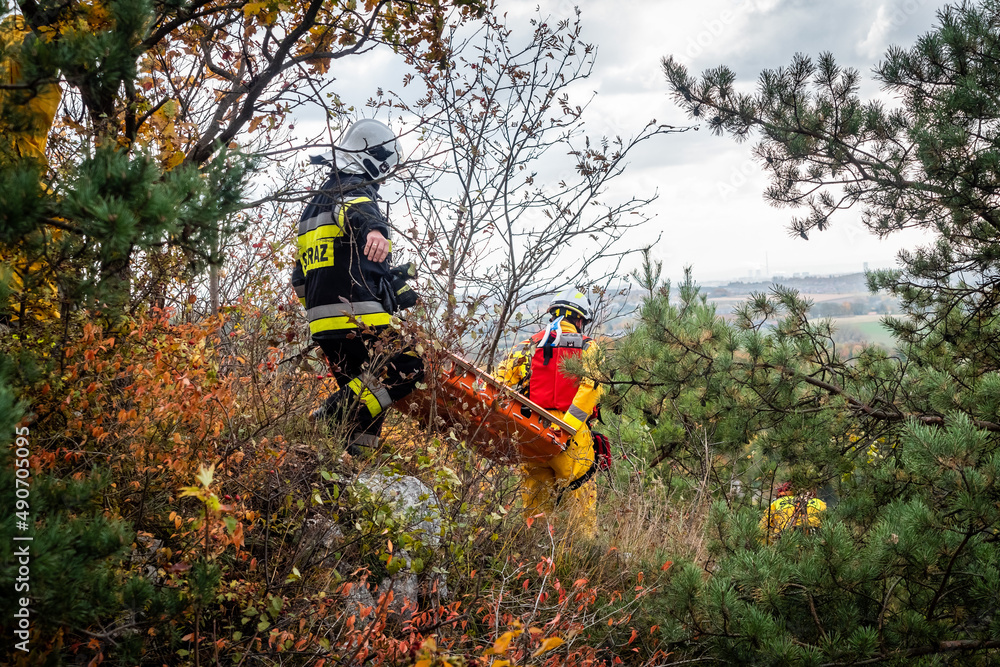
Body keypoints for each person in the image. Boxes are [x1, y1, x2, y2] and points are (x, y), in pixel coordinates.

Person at [292, 119, 423, 455]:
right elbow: (358, 209)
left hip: (322, 322)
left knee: (366, 391)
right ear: (373, 159)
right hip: (356, 315)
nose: (383, 179)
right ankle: (328, 416)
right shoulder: (350, 188)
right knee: (408, 367)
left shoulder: (311, 209)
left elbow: (299, 277)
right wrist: (376, 229)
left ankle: (357, 458)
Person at [498, 289, 604, 539]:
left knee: (534, 510)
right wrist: (566, 428)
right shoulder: (588, 347)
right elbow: (591, 388)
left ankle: (534, 556)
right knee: (581, 513)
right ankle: (581, 563)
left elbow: (499, 382)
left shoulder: (527, 346)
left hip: (532, 434)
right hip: (571, 440)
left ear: (553, 315)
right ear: (579, 319)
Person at [759, 482, 827, 544]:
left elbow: (762, 531)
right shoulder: (819, 503)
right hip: (812, 546)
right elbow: (829, 527)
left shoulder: (777, 503)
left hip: (785, 546)